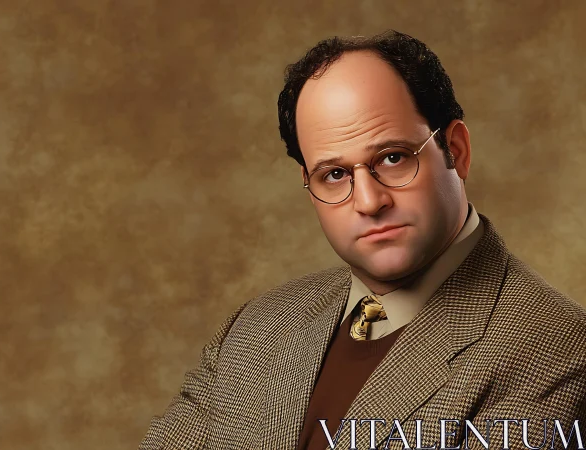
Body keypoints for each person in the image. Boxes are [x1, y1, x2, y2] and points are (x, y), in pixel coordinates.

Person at [139, 30, 586, 450]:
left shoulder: (560, 352)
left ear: (457, 150)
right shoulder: (255, 329)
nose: (369, 202)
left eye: (392, 158)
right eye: (334, 174)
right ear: (309, 184)